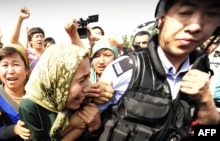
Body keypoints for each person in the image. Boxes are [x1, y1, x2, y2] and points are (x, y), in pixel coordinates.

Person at [95, 0, 220, 140]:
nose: (196, 26)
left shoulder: (202, 73)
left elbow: (209, 132)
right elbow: (84, 123)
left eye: (211, 15)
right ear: (162, 20)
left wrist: (205, 100)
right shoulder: (128, 68)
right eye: (185, 13)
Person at [19, 43, 101, 140]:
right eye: (81, 80)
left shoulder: (83, 99)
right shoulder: (30, 106)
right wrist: (70, 126)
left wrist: (95, 127)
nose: (88, 88)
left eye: (88, 78)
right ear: (59, 80)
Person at [0, 44, 31, 140]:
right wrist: (14, 130)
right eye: (5, 65)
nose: (10, 71)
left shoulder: (36, 94)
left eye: (16, 64)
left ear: (26, 70)